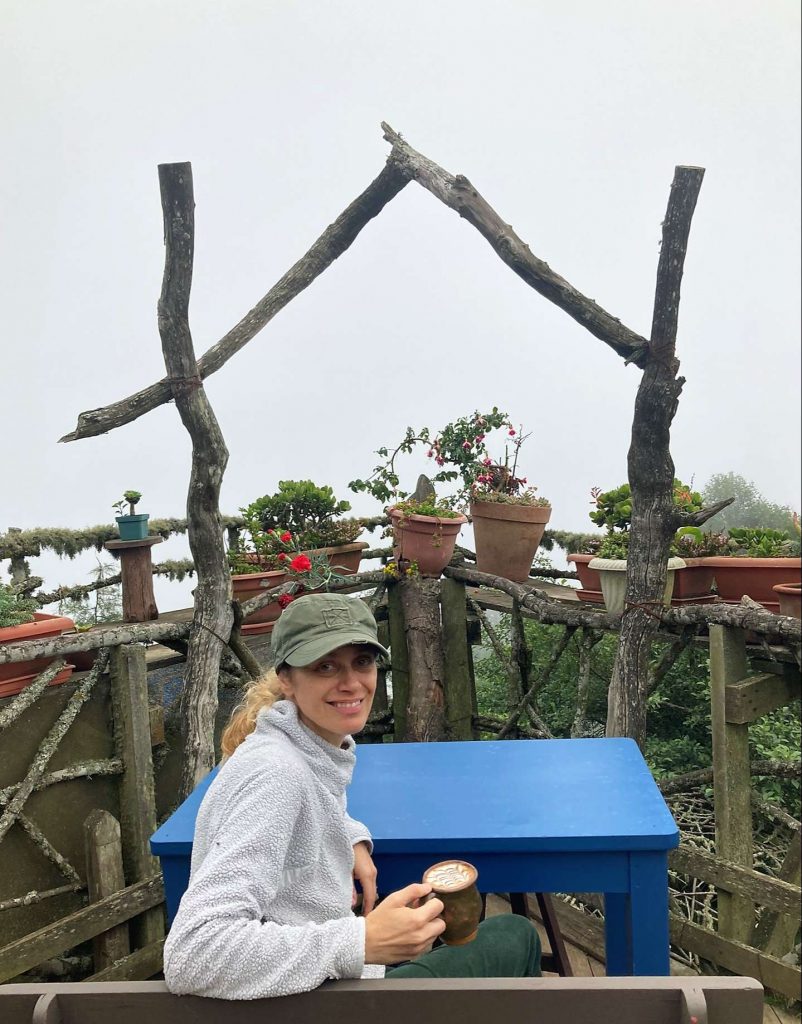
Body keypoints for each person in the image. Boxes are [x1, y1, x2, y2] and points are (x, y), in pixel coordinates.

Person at [163, 593, 541, 1000]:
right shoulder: (277, 775)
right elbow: (192, 954)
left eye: (362, 661)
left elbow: (311, 805)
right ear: (286, 679)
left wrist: (350, 836)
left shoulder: (302, 744)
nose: (351, 683)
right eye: (325, 666)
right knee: (516, 935)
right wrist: (359, 941)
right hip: (323, 1004)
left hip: (317, 987)